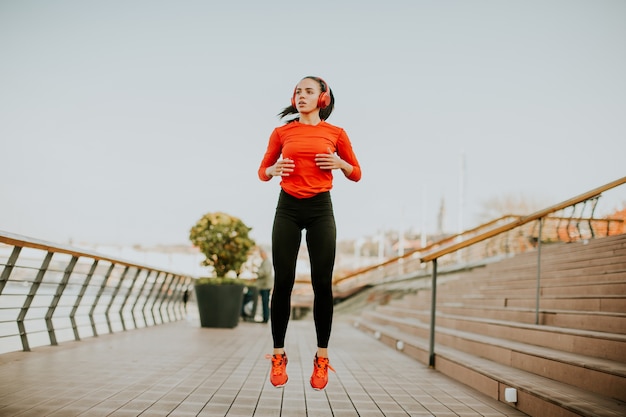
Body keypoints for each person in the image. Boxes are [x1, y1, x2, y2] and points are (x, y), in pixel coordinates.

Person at [258, 76, 362, 390]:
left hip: (320, 210)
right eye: (297, 92)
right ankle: (278, 355)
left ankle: (322, 358)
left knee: (321, 284)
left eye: (308, 91)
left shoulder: (336, 133)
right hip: (287, 208)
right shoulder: (281, 132)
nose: (301, 96)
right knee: (284, 281)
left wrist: (340, 163)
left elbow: (356, 173)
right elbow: (262, 171)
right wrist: (272, 171)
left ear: (323, 98)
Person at [255, 247, 273, 324]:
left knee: (265, 302)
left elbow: (265, 272)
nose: (261, 255)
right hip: (264, 285)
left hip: (265, 285)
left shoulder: (267, 262)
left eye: (261, 254)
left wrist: (258, 272)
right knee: (264, 302)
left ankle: (266, 318)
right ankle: (265, 317)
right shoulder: (264, 262)